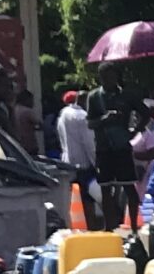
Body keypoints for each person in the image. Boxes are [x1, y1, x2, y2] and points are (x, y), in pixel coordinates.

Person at [89, 83, 139, 230]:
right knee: (105, 189)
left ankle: (134, 227)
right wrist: (105, 119)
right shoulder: (94, 97)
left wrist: (135, 131)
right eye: (104, 76)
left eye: (110, 75)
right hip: (103, 148)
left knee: (129, 187)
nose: (107, 79)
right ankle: (108, 227)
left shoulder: (126, 95)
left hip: (122, 148)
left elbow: (145, 113)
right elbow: (90, 123)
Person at [56, 88, 98, 222]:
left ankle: (76, 223)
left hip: (68, 162)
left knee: (74, 197)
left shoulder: (63, 114)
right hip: (84, 163)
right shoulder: (82, 116)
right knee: (88, 197)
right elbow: (89, 143)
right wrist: (97, 163)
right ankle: (91, 224)